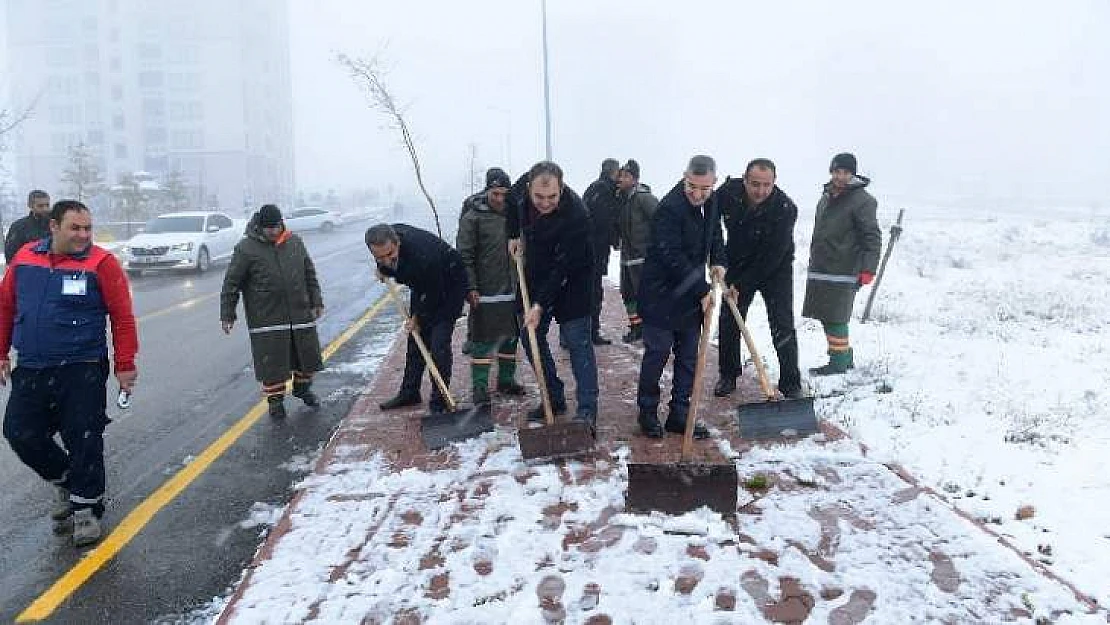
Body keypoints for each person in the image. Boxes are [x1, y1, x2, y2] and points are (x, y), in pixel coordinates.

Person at [0, 199, 138, 547]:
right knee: (19, 431)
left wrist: (125, 365)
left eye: (87, 228)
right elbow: (5, 305)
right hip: (31, 366)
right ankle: (65, 479)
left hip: (82, 368)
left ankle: (86, 510)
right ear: (54, 227)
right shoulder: (26, 258)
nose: (83, 235)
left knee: (84, 438)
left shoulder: (101, 263)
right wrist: (1, 352)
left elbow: (121, 317)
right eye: (75, 228)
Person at [635, 156, 726, 438]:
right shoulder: (669, 209)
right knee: (658, 353)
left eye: (704, 189)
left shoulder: (712, 202)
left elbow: (715, 237)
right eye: (692, 187)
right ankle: (647, 412)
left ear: (714, 183)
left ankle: (679, 414)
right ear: (684, 177)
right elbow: (671, 256)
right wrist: (702, 290)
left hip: (689, 295)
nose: (697, 194)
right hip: (661, 294)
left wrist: (719, 262)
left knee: (688, 357)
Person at [220, 205, 325, 419]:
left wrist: (316, 301)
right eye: (268, 228)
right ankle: (275, 402)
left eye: (276, 227)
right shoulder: (246, 248)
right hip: (267, 319)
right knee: (272, 364)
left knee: (307, 356)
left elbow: (309, 274)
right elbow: (232, 283)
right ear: (259, 226)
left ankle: (303, 389)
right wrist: (228, 314)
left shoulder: (294, 242)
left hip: (300, 314)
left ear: (281, 223)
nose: (273, 232)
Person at [516, 161, 599, 427]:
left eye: (552, 196)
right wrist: (511, 235)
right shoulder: (519, 191)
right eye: (538, 197)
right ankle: (553, 396)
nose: (545, 202)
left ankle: (587, 410)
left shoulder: (577, 215)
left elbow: (563, 267)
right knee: (530, 338)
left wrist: (540, 305)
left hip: (573, 277)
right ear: (528, 188)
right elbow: (509, 209)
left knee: (578, 343)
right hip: (535, 273)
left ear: (561, 188)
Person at [713, 158, 803, 399]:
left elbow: (772, 257)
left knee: (782, 323)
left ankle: (791, 382)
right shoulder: (729, 193)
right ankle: (728, 374)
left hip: (776, 268)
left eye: (767, 185)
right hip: (738, 261)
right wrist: (717, 256)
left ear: (774, 183)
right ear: (744, 180)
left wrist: (740, 286)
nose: (760, 191)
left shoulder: (785, 208)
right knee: (730, 317)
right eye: (755, 184)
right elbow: (709, 220)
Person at [367, 222, 467, 413]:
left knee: (438, 344)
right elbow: (394, 268)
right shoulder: (383, 239)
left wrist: (418, 317)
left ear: (397, 243)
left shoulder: (423, 254)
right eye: (380, 257)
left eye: (390, 255)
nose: (387, 260)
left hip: (449, 286)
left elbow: (435, 292)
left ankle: (440, 400)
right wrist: (384, 270)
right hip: (422, 285)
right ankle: (409, 392)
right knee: (416, 342)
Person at [801, 152, 882, 375]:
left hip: (844, 269)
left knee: (836, 317)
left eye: (846, 172)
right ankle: (843, 357)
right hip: (822, 268)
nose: (841, 176)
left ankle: (839, 362)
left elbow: (872, 237)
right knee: (827, 316)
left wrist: (868, 269)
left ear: (852, 174)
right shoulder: (826, 196)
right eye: (837, 171)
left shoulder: (863, 201)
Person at [456, 168, 525, 407]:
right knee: (483, 340)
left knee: (510, 337)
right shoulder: (473, 217)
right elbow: (464, 255)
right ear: (487, 191)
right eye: (495, 193)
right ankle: (480, 387)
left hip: (513, 287)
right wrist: (470, 286)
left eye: (504, 194)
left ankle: (506, 380)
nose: (499, 199)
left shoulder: (515, 213)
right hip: (484, 289)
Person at [613, 159, 659, 343]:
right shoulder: (622, 198)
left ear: (634, 178)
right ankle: (636, 327)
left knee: (645, 296)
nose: (621, 179)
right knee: (628, 294)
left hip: (643, 258)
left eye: (625, 176)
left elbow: (660, 221)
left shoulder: (644, 198)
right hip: (627, 257)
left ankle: (651, 330)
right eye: (620, 175)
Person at [580, 158, 621, 345]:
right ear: (613, 172)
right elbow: (604, 220)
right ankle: (590, 332)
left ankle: (577, 332)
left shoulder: (593, 188)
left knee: (586, 289)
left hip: (586, 246)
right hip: (595, 248)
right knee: (593, 291)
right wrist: (615, 239)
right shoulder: (606, 190)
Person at [5, 189, 51, 263]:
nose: (45, 209)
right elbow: (10, 256)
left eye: (47, 205)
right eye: (40, 206)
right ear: (30, 206)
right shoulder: (18, 227)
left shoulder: (56, 225)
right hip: (30, 269)